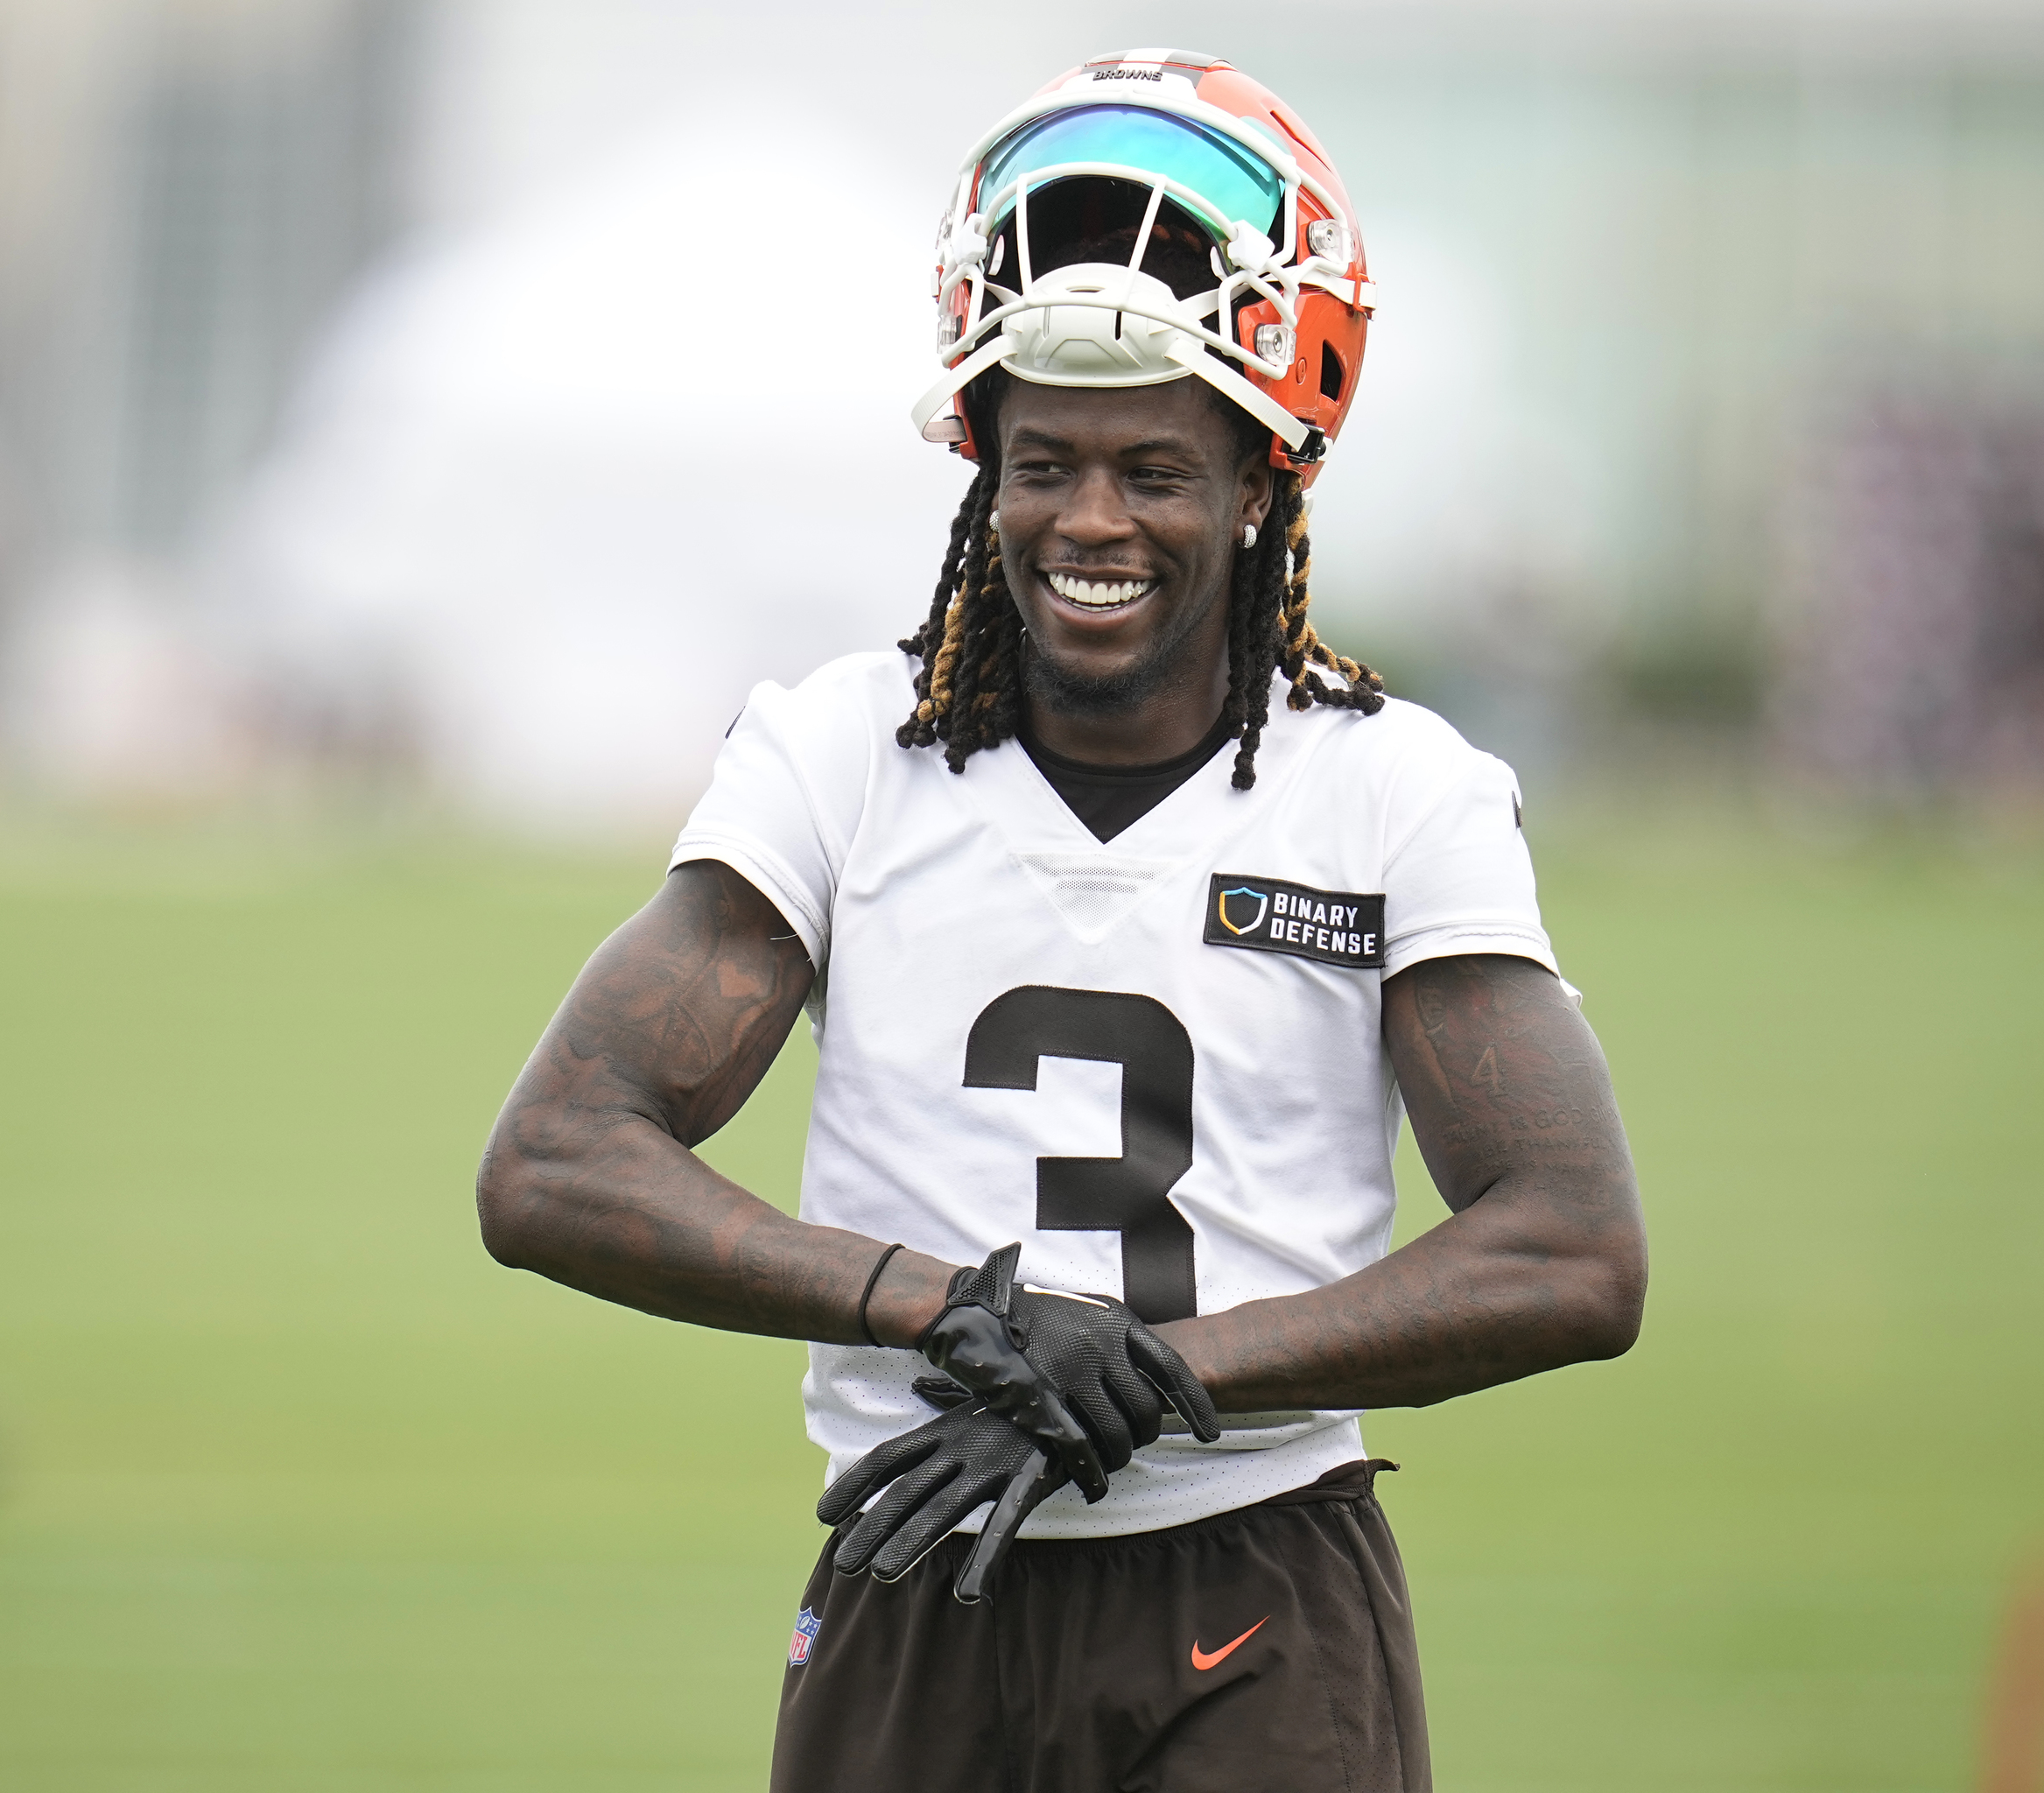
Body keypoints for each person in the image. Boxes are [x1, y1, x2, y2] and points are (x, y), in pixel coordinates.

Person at [476, 47, 1646, 1793]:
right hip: (916, 1576)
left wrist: (1166, 1371)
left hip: (1254, 1574)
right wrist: (945, 1309)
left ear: (1262, 485)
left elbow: (1573, 1246)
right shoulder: (837, 756)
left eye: (1157, 471)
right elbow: (554, 1163)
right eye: (1046, 463)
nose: (1091, 521)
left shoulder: (1396, 790)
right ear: (981, 470)